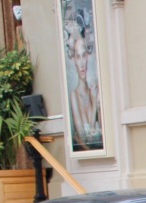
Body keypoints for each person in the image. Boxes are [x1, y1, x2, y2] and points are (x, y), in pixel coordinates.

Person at [64, 9, 102, 152]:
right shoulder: (74, 95)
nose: (81, 63)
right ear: (73, 59)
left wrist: (97, 105)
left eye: (84, 55)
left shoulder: (95, 89)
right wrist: (94, 109)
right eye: (77, 56)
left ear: (88, 57)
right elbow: (85, 140)